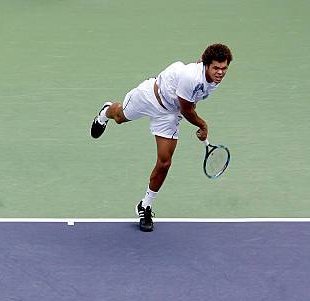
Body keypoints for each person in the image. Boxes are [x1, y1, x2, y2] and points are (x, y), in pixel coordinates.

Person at [91, 43, 233, 232]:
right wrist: (202, 125)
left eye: (224, 68)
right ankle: (105, 112)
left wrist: (192, 111)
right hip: (150, 96)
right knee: (119, 117)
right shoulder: (191, 77)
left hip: (169, 114)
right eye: (216, 67)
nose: (220, 72)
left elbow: (189, 102)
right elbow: (187, 109)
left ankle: (145, 205)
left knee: (164, 162)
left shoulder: (211, 78)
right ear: (207, 65)